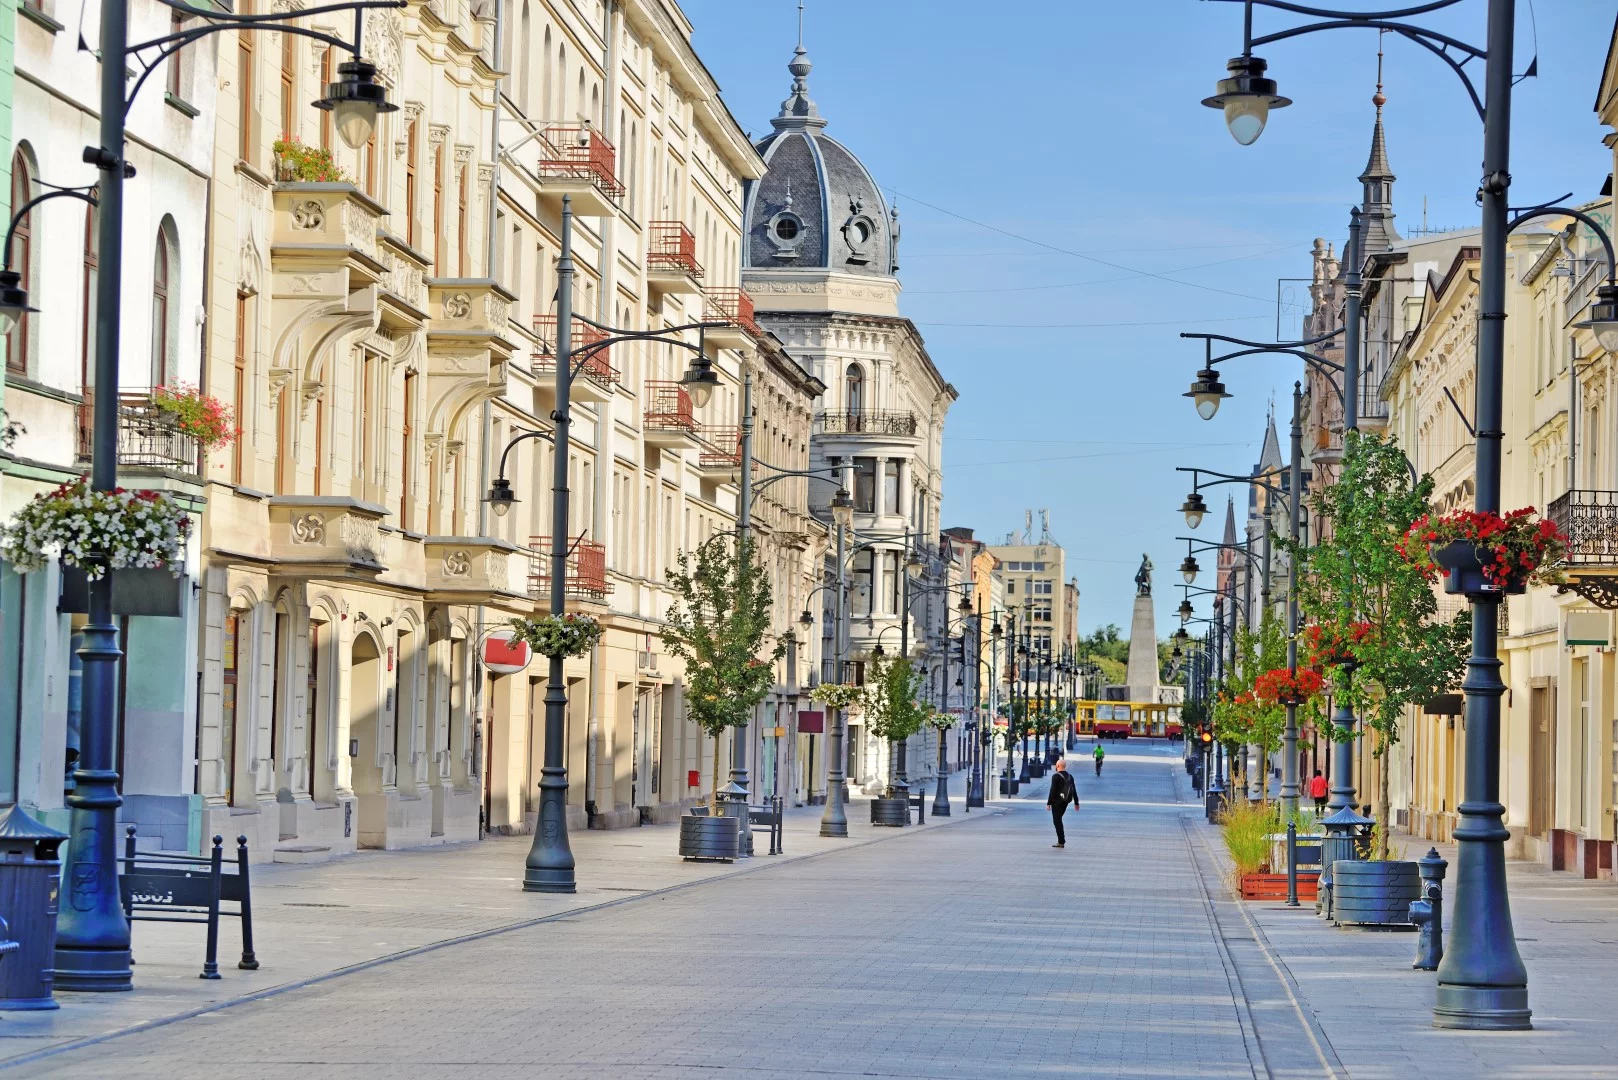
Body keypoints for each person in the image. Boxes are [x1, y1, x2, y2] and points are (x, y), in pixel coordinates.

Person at [1047, 758, 1078, 848]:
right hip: (1065, 802)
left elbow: (1052, 790)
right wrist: (1076, 802)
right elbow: (1073, 790)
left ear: (1057, 766)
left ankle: (1061, 841)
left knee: (1057, 821)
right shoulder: (1070, 776)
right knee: (1058, 820)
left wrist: (1048, 803)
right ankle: (1061, 840)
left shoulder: (1055, 776)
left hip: (1056, 802)